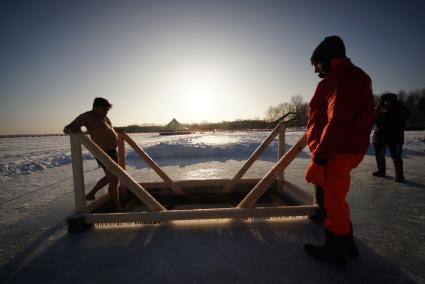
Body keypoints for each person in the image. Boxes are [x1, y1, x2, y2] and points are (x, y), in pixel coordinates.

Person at [304, 36, 375, 264]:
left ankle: (336, 248)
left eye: (316, 63)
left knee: (331, 200)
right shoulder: (352, 76)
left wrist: (320, 159)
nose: (315, 69)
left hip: (335, 150)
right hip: (342, 147)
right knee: (334, 196)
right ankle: (347, 241)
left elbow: (338, 121)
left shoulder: (340, 79)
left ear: (327, 58)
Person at [63, 97, 121, 210]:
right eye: (104, 110)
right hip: (103, 153)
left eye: (107, 111)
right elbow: (68, 128)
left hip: (112, 151)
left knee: (114, 177)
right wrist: (70, 130)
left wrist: (118, 131)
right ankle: (117, 207)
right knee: (114, 179)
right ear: (96, 107)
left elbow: (108, 130)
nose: (106, 113)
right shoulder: (86, 116)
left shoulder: (104, 117)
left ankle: (91, 194)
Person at [372, 93, 410, 182]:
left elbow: (407, 112)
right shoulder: (379, 109)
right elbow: (372, 121)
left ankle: (399, 175)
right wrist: (376, 113)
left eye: (390, 100)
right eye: (386, 100)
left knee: (396, 156)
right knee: (379, 155)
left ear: (394, 101)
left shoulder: (401, 109)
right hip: (380, 136)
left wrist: (393, 110)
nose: (387, 102)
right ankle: (381, 171)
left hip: (395, 137)